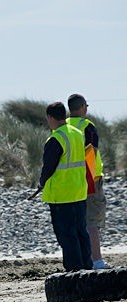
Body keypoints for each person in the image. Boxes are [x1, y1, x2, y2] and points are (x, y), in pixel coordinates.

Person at [37, 102, 91, 272]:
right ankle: (86, 267)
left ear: (51, 118)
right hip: (79, 191)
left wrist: (41, 183)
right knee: (81, 232)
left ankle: (75, 271)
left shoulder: (56, 138)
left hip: (62, 195)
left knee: (67, 236)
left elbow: (48, 167)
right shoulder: (77, 133)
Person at [67, 93, 109, 269]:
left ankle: (82, 261)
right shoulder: (87, 126)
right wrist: (91, 183)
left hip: (68, 182)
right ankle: (96, 260)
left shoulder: (63, 126)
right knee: (91, 222)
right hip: (89, 181)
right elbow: (91, 155)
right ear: (83, 106)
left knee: (75, 224)